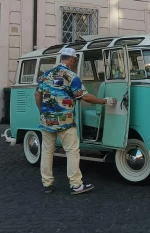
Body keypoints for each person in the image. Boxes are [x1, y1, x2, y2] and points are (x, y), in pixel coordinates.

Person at [35, 47, 112, 195]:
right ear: (72, 60)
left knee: (47, 151)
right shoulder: (71, 76)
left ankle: (47, 184)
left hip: (46, 120)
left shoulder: (46, 75)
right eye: (75, 60)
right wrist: (103, 101)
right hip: (65, 121)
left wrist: (42, 111)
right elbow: (84, 97)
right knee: (72, 151)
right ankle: (76, 185)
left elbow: (37, 95)